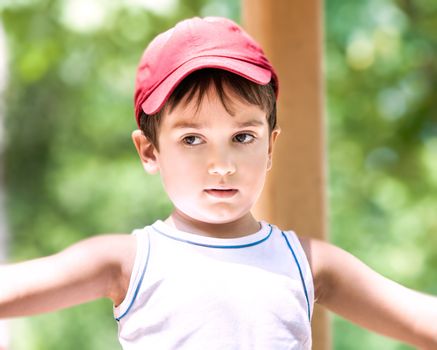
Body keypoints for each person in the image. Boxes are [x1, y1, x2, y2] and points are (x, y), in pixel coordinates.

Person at [0, 16, 436, 350]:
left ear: (270, 147)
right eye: (192, 139)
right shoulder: (126, 260)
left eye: (242, 137)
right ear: (149, 151)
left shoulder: (308, 262)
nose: (221, 164)